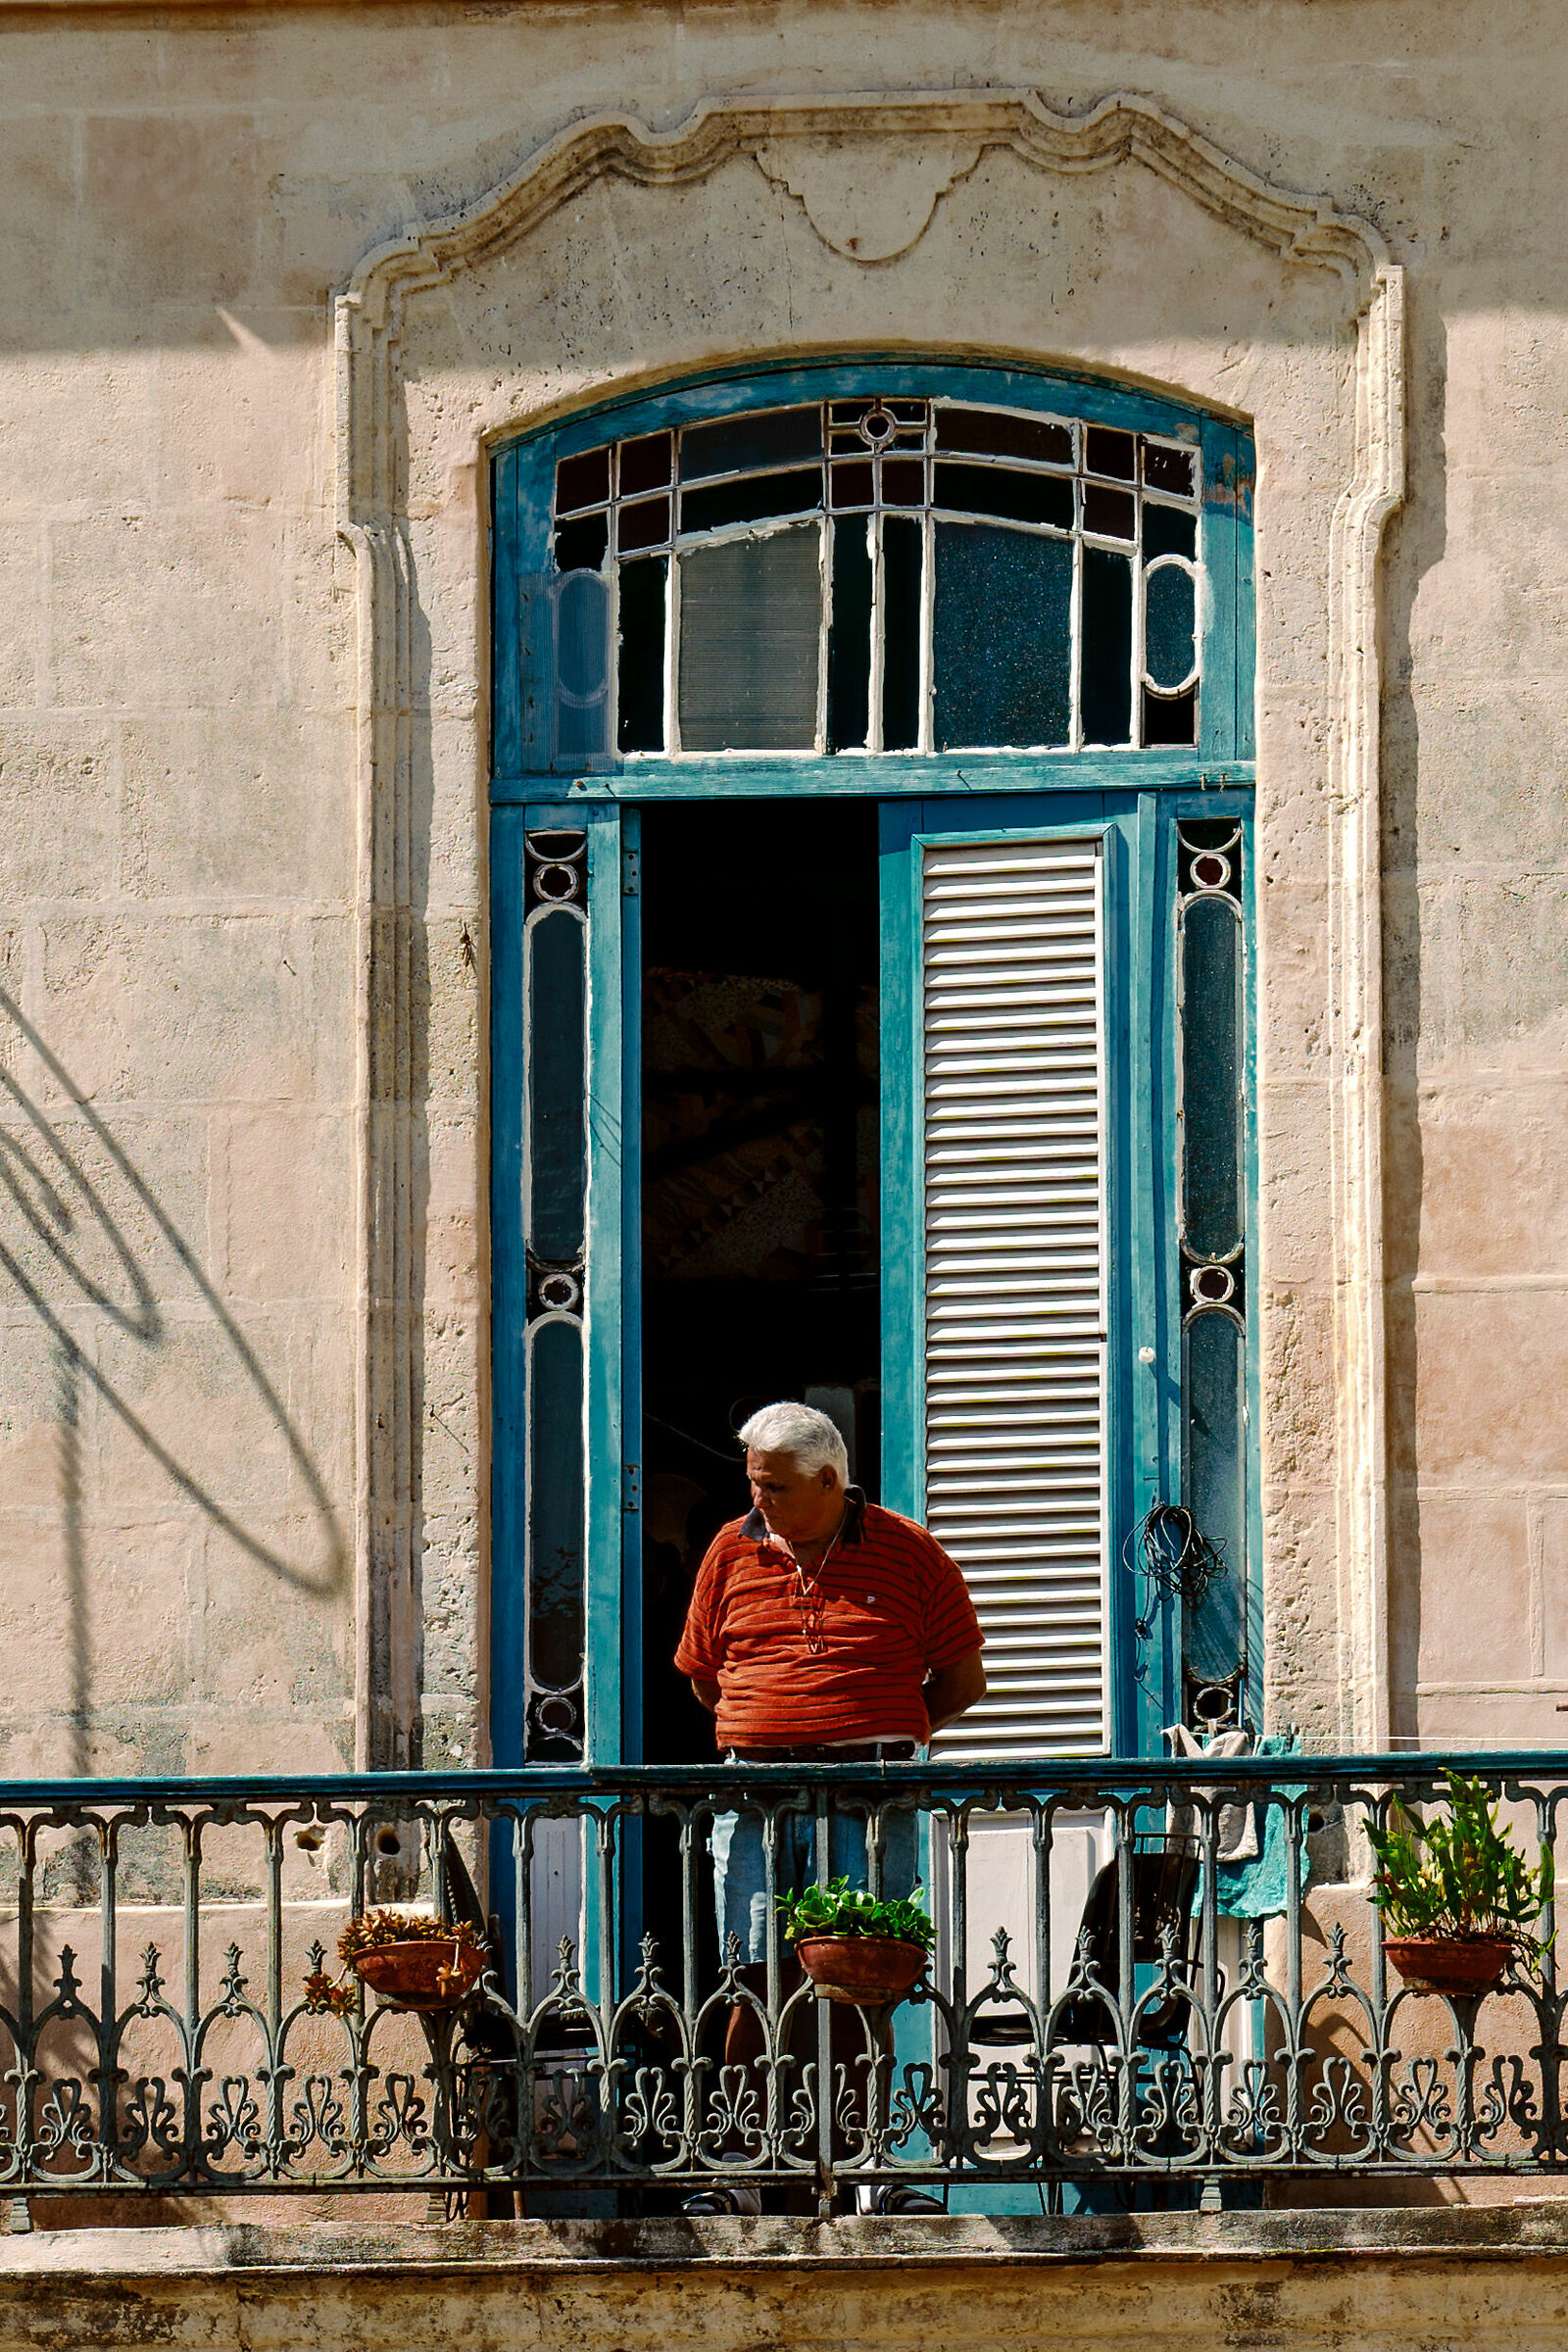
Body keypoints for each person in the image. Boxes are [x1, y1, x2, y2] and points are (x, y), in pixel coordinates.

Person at [673, 1399, 986, 2213]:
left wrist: (878, 1727)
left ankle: (868, 2174)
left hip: (867, 1795)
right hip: (755, 1794)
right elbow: (706, 1676)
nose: (759, 1502)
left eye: (774, 1487)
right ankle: (743, 2171)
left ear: (828, 1479)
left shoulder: (909, 1551)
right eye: (753, 1484)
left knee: (858, 1980)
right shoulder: (729, 1551)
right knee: (750, 1979)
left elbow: (960, 1682)